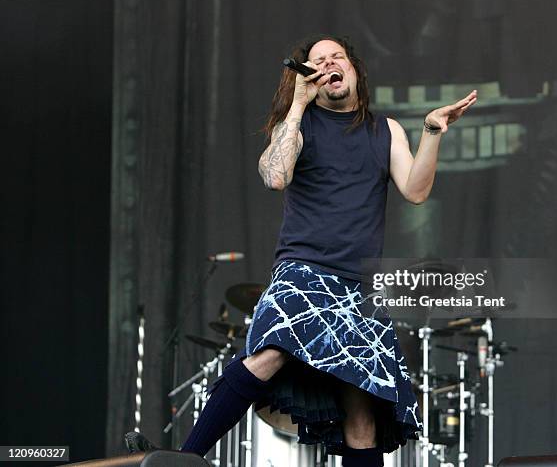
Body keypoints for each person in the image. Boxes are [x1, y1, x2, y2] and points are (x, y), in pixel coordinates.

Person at [126, 34, 477, 466]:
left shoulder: (385, 130)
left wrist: (431, 132)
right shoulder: (298, 125)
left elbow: (416, 191)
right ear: (308, 75)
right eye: (319, 61)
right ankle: (186, 458)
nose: (330, 64)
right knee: (270, 352)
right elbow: (274, 176)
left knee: (362, 410)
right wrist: (297, 104)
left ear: (354, 69)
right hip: (304, 269)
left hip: (360, 285)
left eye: (338, 57)